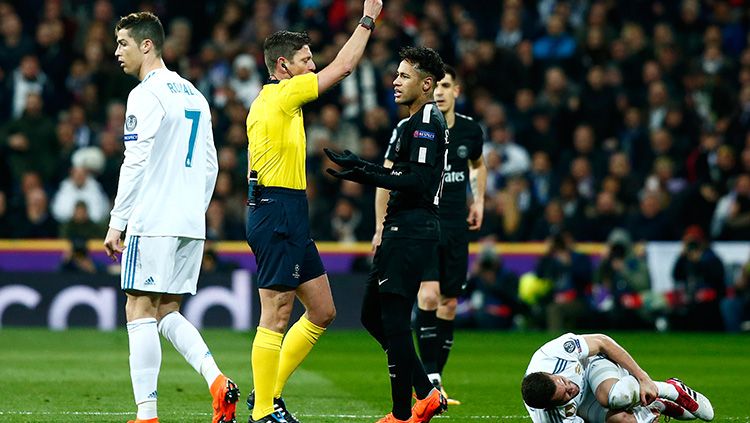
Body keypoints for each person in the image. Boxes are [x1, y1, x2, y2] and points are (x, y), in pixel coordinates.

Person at [243, 2, 383, 422]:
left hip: (288, 210)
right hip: (275, 209)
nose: (313, 65)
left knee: (322, 310)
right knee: (276, 312)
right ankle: (263, 412)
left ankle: (265, 395)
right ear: (283, 65)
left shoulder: (274, 101)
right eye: (306, 60)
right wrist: (368, 18)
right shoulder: (282, 94)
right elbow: (342, 68)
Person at [103, 12, 239, 423]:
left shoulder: (146, 93)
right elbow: (212, 165)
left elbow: (136, 159)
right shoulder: (195, 93)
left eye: (123, 43)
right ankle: (218, 382)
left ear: (147, 45)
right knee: (166, 312)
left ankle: (146, 415)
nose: (116, 52)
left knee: (138, 309)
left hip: (154, 219)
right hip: (188, 223)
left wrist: (117, 221)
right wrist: (192, 211)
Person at [326, 46, 449, 423]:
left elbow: (418, 181)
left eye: (404, 76)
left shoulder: (427, 119)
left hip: (412, 229)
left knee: (394, 322)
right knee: (372, 316)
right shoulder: (413, 121)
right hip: (400, 228)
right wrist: (364, 168)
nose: (395, 82)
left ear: (427, 84)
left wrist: (364, 170)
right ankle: (426, 393)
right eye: (395, 75)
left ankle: (401, 414)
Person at [374, 65, 487, 404]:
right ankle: (430, 382)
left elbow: (478, 165)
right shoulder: (412, 128)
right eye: (435, 86)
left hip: (455, 226)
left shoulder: (469, 131)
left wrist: (478, 200)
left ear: (456, 91)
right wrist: (380, 224)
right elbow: (387, 174)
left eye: (446, 86)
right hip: (423, 224)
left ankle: (435, 376)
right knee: (428, 297)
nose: (439, 92)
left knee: (449, 302)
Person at [521, 333, 714, 423]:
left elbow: (603, 342)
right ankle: (658, 405)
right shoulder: (551, 419)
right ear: (550, 406)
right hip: (584, 406)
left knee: (614, 397)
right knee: (623, 420)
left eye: (563, 382)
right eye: (564, 396)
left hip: (595, 366)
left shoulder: (552, 355)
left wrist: (642, 377)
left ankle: (670, 389)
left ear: (549, 373)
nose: (571, 388)